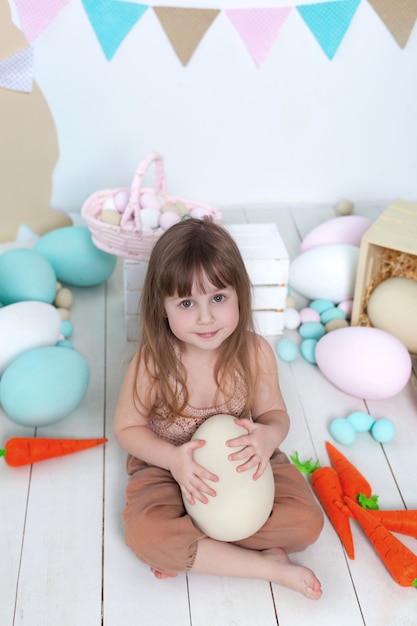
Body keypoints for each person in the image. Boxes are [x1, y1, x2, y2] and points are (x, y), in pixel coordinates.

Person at [114, 217, 324, 599]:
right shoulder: (154, 362)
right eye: (186, 302)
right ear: (161, 307)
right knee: (147, 536)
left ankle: (197, 550)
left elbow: (274, 414)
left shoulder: (254, 352)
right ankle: (265, 566)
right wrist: (174, 460)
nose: (205, 317)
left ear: (239, 294)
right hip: (169, 466)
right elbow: (128, 428)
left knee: (307, 524)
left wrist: (268, 437)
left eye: (218, 298)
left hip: (244, 460)